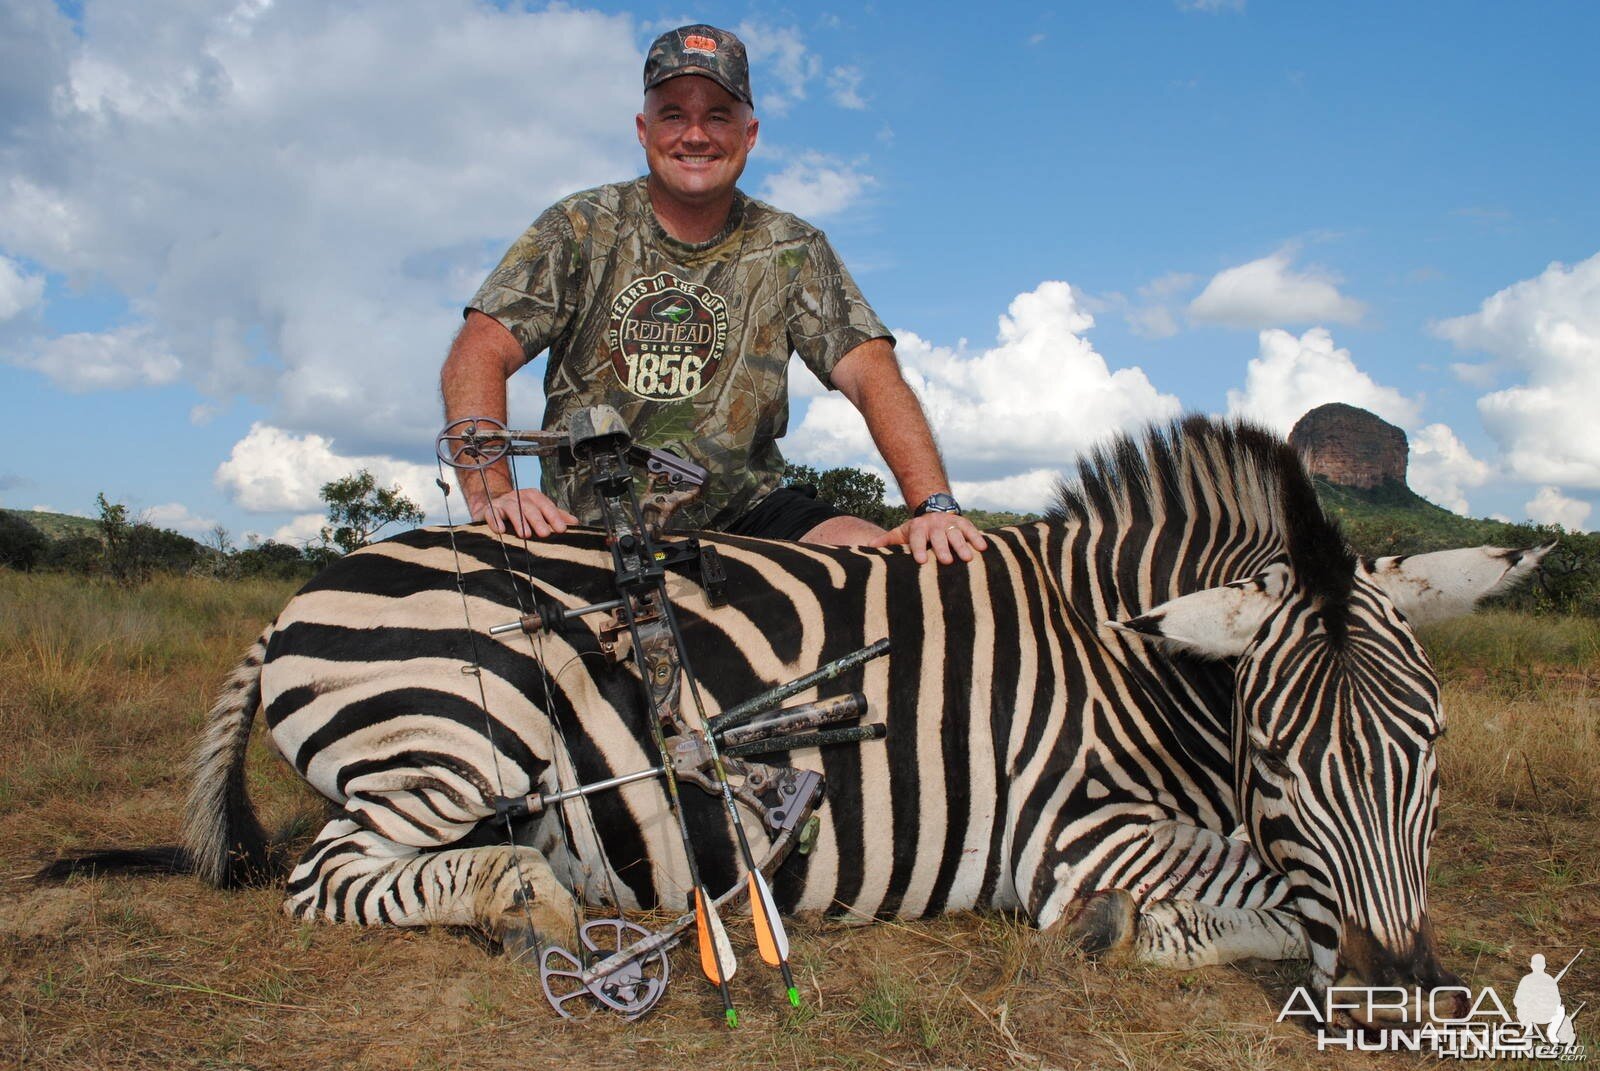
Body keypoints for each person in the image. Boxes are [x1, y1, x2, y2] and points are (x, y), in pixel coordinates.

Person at [441, 23, 986, 566]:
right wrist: (491, 490)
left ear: (749, 134)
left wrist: (932, 504)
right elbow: (478, 352)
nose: (695, 135)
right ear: (643, 129)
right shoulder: (579, 226)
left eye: (718, 116)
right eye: (673, 114)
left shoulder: (792, 245)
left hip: (750, 515)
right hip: (589, 521)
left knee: (872, 558)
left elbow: (872, 375)